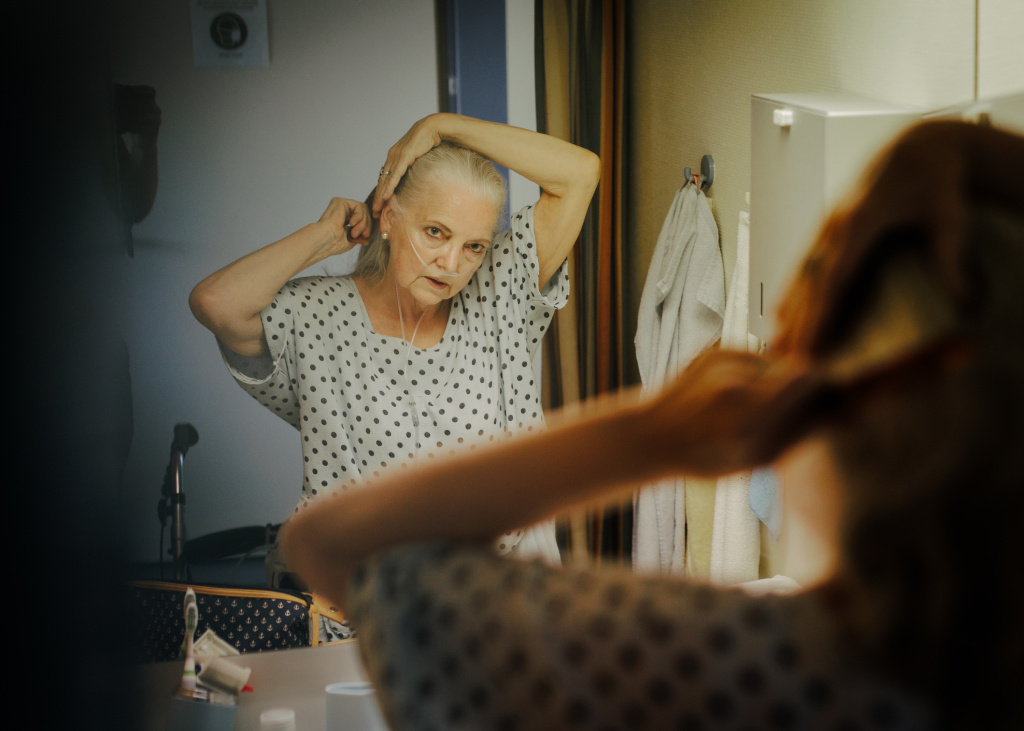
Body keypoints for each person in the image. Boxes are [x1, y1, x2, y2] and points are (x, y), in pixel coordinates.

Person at [279, 120, 1024, 730]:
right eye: (438, 235)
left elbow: (336, 545)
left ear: (812, 424)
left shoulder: (741, 661)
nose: (453, 260)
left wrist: (650, 433)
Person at [190, 114, 600, 587]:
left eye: (474, 247)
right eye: (435, 233)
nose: (451, 264)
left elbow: (580, 173)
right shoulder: (318, 315)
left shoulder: (499, 287)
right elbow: (215, 302)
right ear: (389, 218)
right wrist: (324, 237)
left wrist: (440, 126)